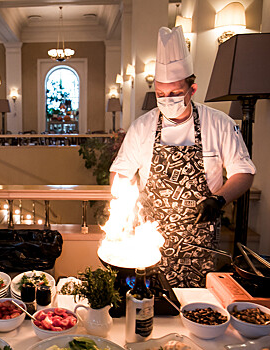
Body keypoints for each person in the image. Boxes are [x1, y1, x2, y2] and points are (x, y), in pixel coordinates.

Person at [110, 26, 256, 288]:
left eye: (176, 93)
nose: (167, 100)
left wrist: (218, 199)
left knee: (196, 305)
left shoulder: (219, 123)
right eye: (161, 95)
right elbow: (120, 174)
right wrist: (124, 209)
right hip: (149, 237)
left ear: (192, 89)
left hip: (199, 238)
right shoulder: (142, 127)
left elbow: (244, 173)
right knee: (149, 303)